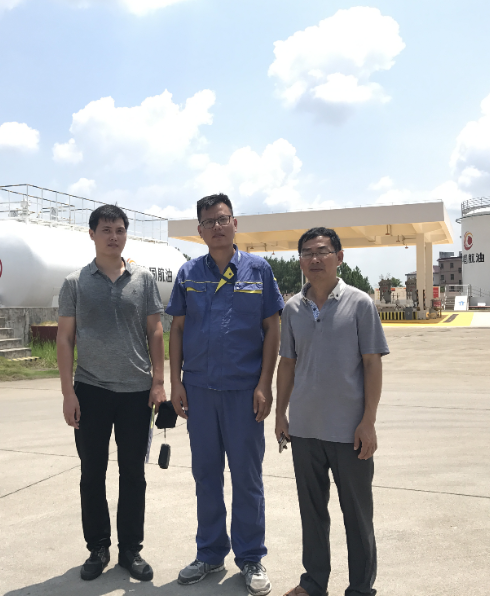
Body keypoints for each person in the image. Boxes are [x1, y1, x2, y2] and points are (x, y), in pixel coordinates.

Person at [166, 193, 284, 597]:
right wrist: (176, 382)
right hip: (199, 390)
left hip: (243, 391)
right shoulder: (188, 273)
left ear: (235, 223)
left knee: (247, 478)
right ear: (199, 230)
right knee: (206, 475)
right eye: (209, 222)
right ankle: (210, 553)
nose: (216, 227)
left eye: (223, 219)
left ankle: (250, 556)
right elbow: (177, 329)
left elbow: (272, 328)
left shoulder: (258, 270)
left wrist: (265, 384)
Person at [275, 227, 389, 597]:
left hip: (349, 432)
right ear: (300, 261)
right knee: (312, 513)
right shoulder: (292, 309)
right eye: (307, 253)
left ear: (339, 257)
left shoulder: (360, 304)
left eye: (322, 251)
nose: (315, 259)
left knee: (357, 516)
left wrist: (368, 421)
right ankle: (313, 582)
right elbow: (287, 363)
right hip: (305, 430)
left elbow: (372, 364)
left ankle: (360, 588)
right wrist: (281, 414)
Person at [57, 204, 167, 583]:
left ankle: (130, 550)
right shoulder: (75, 283)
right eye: (106, 230)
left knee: (133, 474)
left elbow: (155, 331)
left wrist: (158, 381)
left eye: (120, 230)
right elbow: (65, 338)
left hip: (137, 392)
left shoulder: (143, 279)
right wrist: (68, 393)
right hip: (91, 391)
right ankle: (98, 548)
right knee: (92, 473)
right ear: (92, 234)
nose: (113, 236)